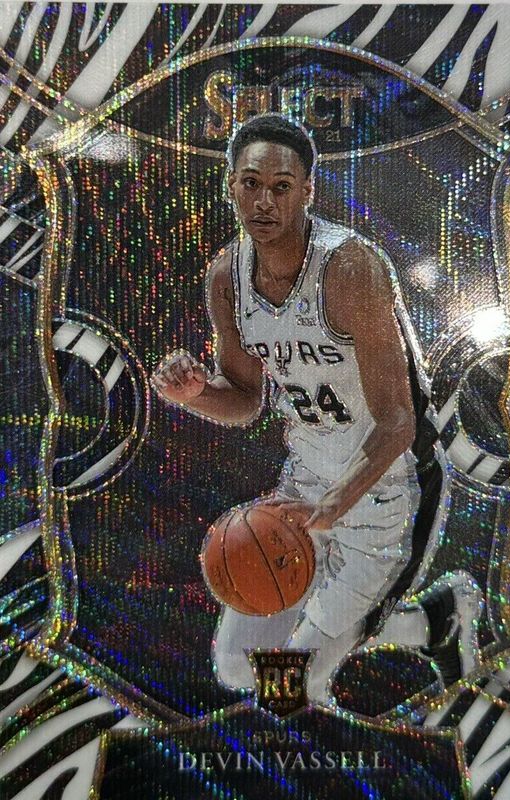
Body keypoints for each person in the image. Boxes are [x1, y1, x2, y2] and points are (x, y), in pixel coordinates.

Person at [152, 114, 483, 708]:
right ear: (231, 187)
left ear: (307, 191)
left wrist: (334, 507)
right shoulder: (227, 276)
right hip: (304, 484)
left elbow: (398, 422)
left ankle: (405, 621)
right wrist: (195, 393)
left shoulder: (350, 268)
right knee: (236, 667)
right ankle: (434, 623)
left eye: (281, 186)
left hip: (388, 490)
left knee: (290, 684)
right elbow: (246, 399)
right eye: (251, 183)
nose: (265, 201)